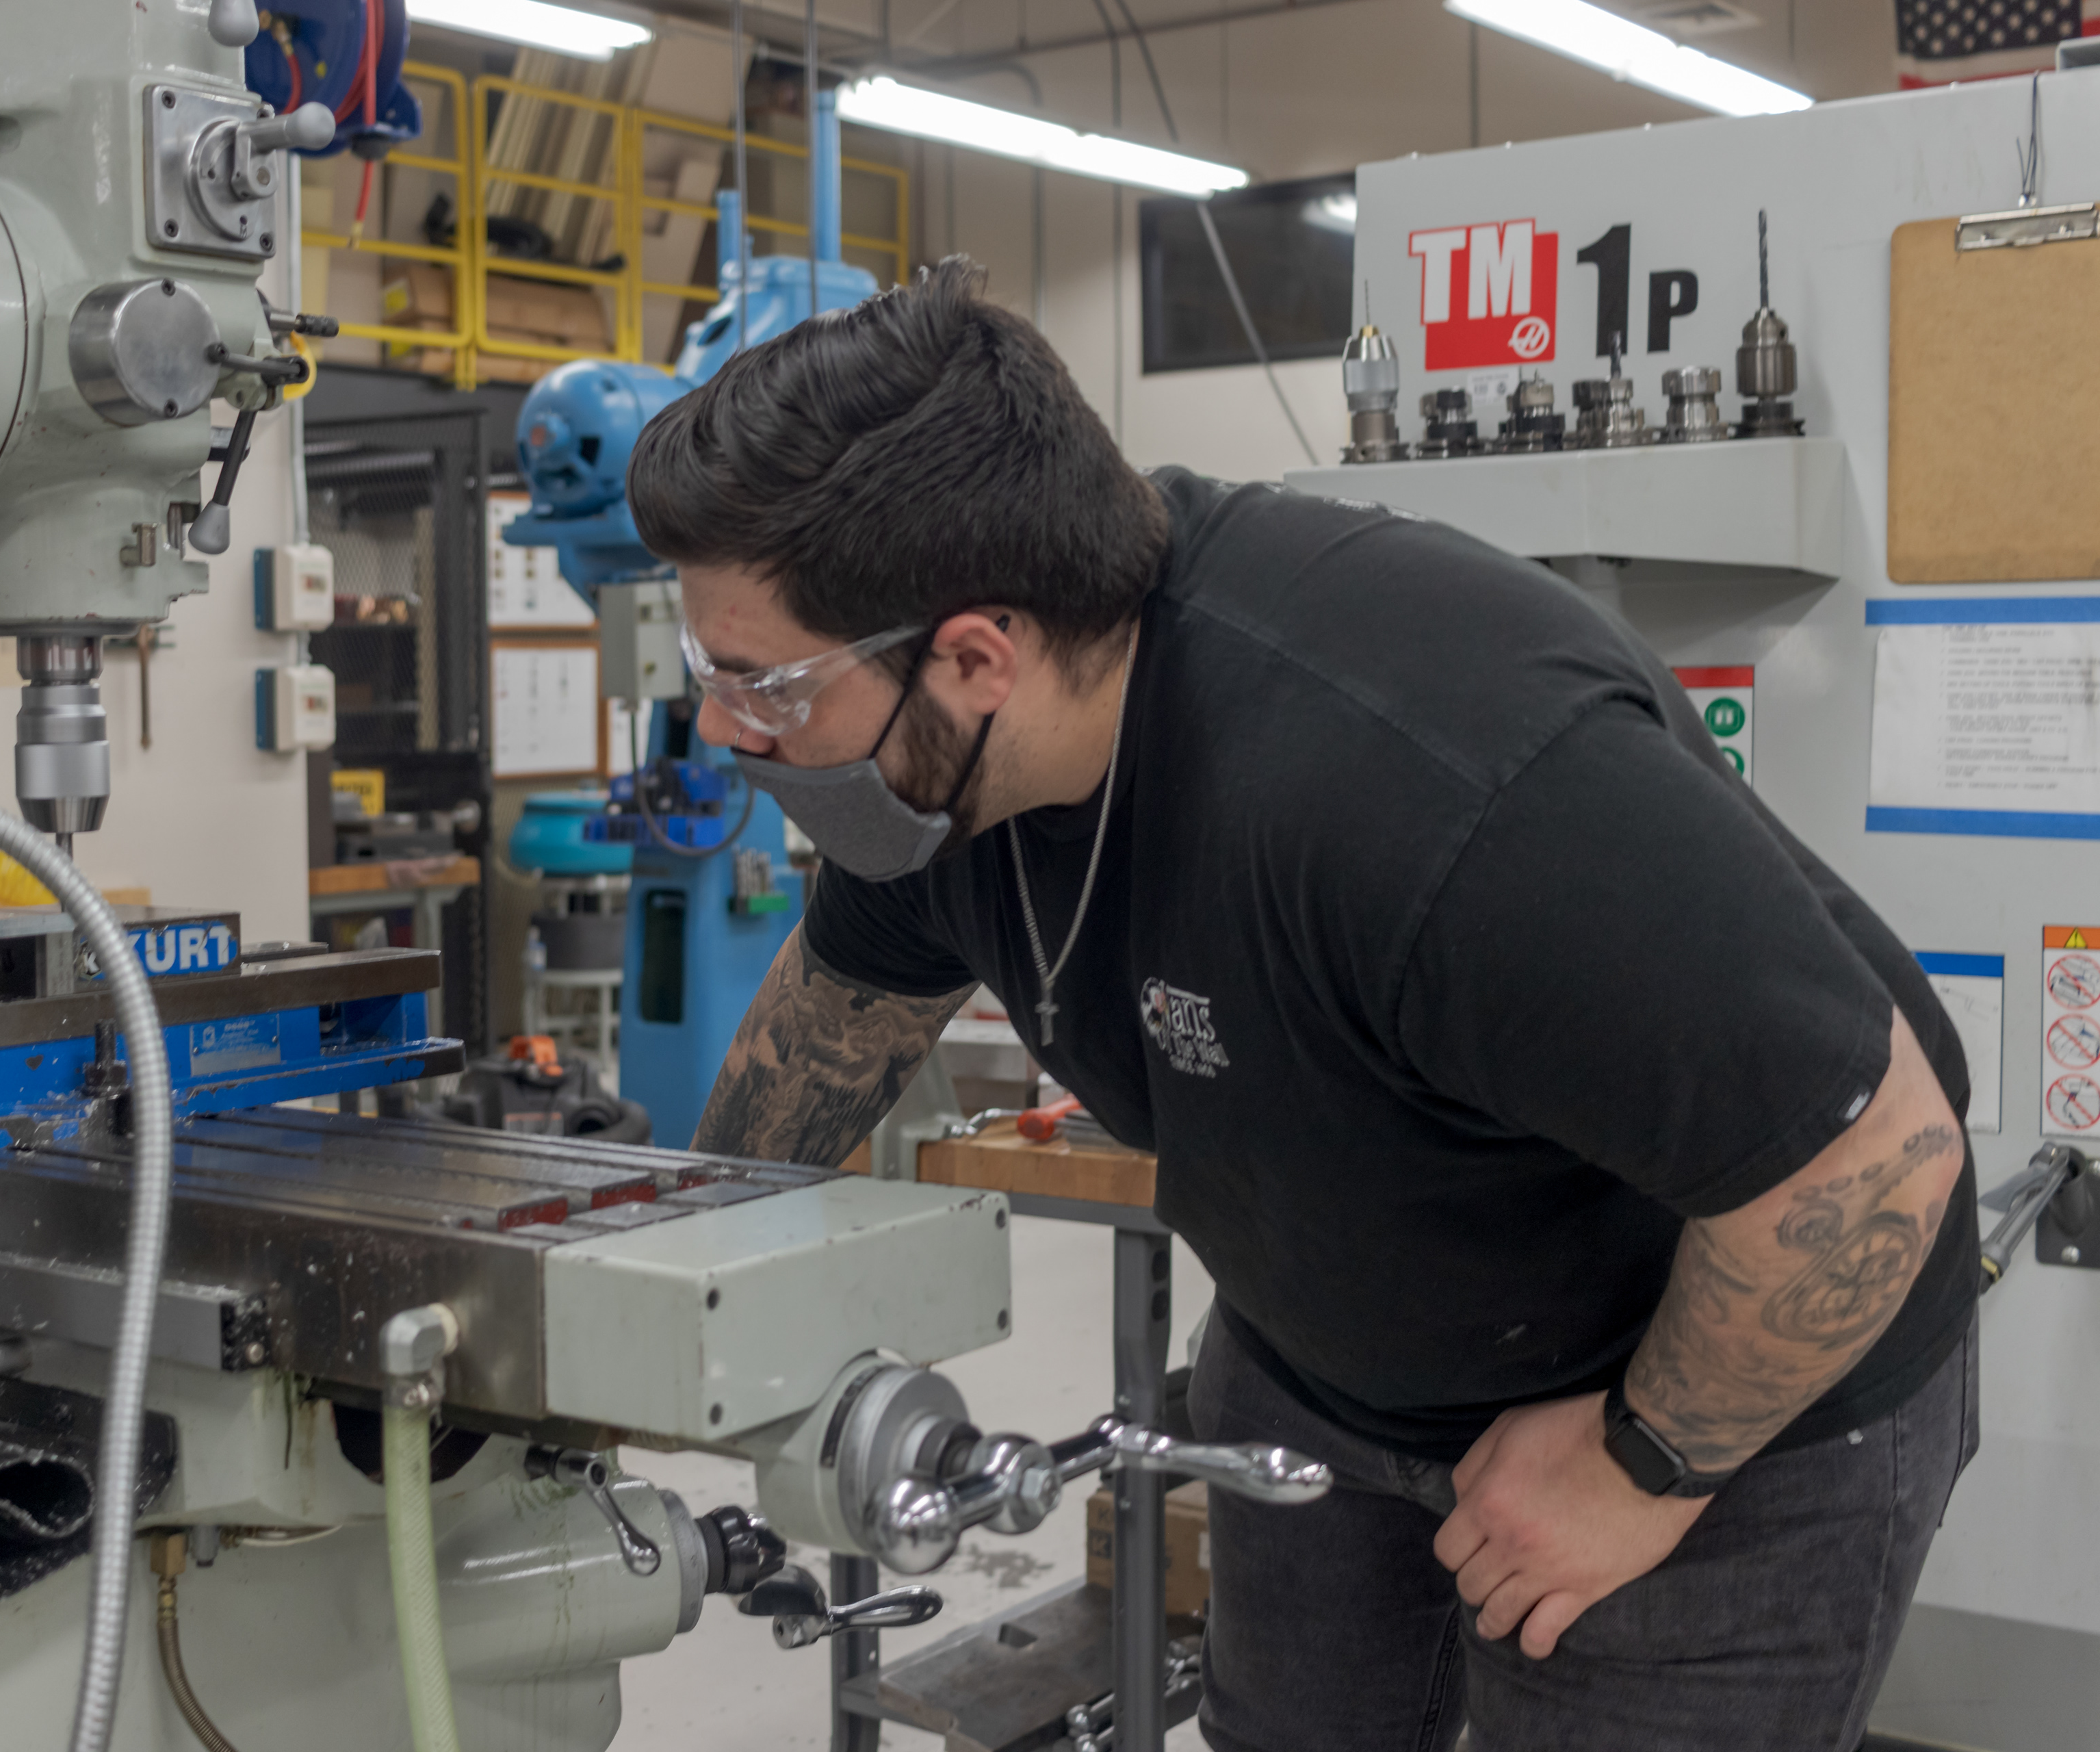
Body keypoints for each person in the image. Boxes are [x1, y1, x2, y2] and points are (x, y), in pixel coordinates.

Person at [627, 257, 1977, 1752]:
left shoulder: (1424, 784)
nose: (721, 723)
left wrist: (1637, 1464)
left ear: (974, 657)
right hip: (1331, 1372)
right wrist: (650, 1301)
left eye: (761, 682)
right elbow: (829, 1034)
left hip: (1716, 1372)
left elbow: (1870, 1164)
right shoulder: (936, 788)